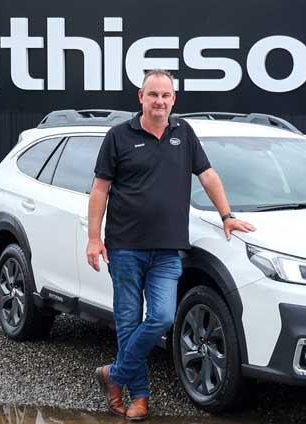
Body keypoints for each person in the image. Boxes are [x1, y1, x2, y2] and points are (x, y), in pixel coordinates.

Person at [86, 69, 255, 421]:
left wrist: (227, 215)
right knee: (128, 322)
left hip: (167, 249)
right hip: (125, 248)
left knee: (162, 317)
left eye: (165, 95)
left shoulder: (184, 133)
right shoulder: (118, 136)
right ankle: (140, 397)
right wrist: (93, 237)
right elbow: (100, 189)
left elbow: (207, 175)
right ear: (141, 97)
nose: (159, 101)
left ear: (174, 99)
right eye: (153, 95)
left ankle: (113, 375)